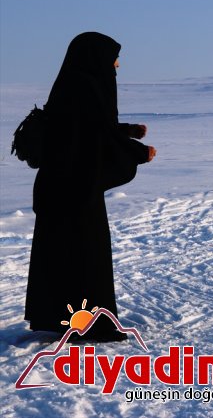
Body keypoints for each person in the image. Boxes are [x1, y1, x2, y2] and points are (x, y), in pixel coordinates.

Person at [25, 32, 156, 341]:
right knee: (86, 255)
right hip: (77, 191)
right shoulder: (86, 88)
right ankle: (91, 325)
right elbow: (95, 138)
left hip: (59, 187)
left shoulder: (71, 86)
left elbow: (88, 128)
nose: (117, 64)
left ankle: (59, 318)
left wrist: (128, 131)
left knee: (61, 253)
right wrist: (140, 153)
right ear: (96, 58)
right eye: (113, 57)